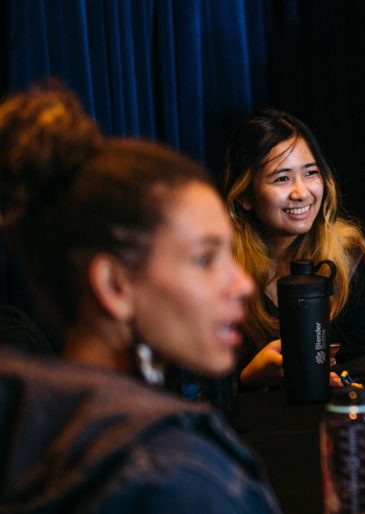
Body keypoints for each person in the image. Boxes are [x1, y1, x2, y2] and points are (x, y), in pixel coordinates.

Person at [0, 83, 280, 511]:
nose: (241, 284)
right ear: (115, 286)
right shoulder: (176, 480)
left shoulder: (44, 435)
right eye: (204, 259)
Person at [222, 109, 365, 388]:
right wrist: (246, 379)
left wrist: (339, 378)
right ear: (246, 195)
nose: (302, 192)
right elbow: (185, 386)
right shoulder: (220, 268)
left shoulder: (345, 254)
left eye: (310, 173)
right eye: (282, 178)